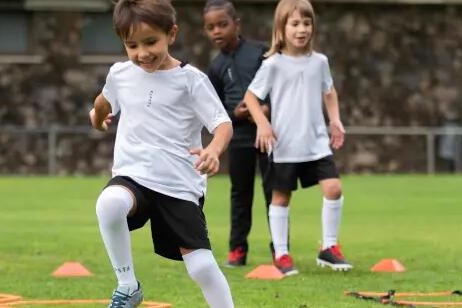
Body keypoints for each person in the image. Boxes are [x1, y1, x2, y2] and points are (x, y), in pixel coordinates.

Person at [88, 0, 235, 306]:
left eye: (151, 42)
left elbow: (222, 124)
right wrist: (99, 116)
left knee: (202, 267)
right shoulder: (120, 74)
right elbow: (102, 103)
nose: (142, 53)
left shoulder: (191, 80)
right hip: (134, 177)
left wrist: (213, 149)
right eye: (132, 45)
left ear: (172, 34)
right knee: (109, 204)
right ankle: (128, 286)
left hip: (179, 186)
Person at [242, 0, 351, 276]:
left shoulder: (320, 62)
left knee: (334, 189)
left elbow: (329, 91)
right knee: (280, 198)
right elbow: (251, 98)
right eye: (295, 23)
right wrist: (263, 124)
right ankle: (281, 254)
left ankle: (329, 248)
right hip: (285, 146)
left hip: (316, 144)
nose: (301, 29)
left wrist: (335, 119)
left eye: (306, 23)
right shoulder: (273, 64)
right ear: (282, 28)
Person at [202, 0, 271, 267]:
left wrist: (265, 108)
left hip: (268, 135)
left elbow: (278, 89)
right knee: (240, 194)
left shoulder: (260, 53)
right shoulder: (216, 67)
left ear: (236, 24)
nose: (216, 31)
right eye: (210, 27)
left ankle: (280, 250)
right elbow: (216, 112)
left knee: (274, 193)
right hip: (239, 138)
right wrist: (236, 115)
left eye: (222, 24)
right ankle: (237, 250)